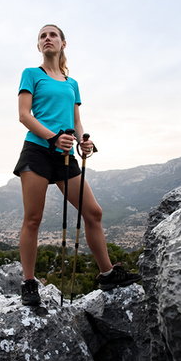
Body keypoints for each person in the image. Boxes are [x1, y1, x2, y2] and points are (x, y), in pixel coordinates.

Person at [13, 24, 141, 306]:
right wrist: (53, 137)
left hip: (66, 151)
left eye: (52, 35)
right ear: (38, 46)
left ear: (63, 44)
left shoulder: (72, 83)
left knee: (93, 212)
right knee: (33, 218)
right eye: (42, 36)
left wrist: (84, 140)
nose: (47, 39)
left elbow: (75, 120)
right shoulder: (31, 74)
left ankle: (107, 274)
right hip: (37, 149)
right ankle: (29, 282)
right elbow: (24, 115)